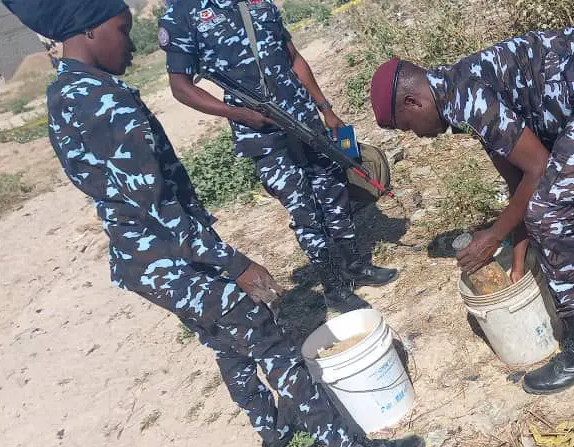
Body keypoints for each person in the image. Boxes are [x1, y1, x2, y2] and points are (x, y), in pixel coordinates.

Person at [3, 0, 422, 447]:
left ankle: (279, 439)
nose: (131, 42)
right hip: (172, 258)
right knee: (267, 337)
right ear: (91, 32)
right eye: (122, 28)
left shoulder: (66, 93)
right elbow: (155, 206)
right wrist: (233, 262)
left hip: (146, 259)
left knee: (227, 343)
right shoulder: (105, 102)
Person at [369, 28, 574, 395]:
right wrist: (518, 257)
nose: (416, 135)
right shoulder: (456, 92)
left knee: (550, 212)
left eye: (408, 127)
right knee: (550, 199)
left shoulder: (466, 97)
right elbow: (520, 180)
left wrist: (494, 236)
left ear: (412, 102)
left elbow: (537, 168)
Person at [158, 0, 396, 314]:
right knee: (304, 210)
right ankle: (335, 288)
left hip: (305, 121)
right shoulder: (183, 15)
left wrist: (326, 109)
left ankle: (356, 265)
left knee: (334, 192)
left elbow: (293, 57)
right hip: (262, 135)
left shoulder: (259, 3)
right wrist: (236, 113)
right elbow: (181, 87)